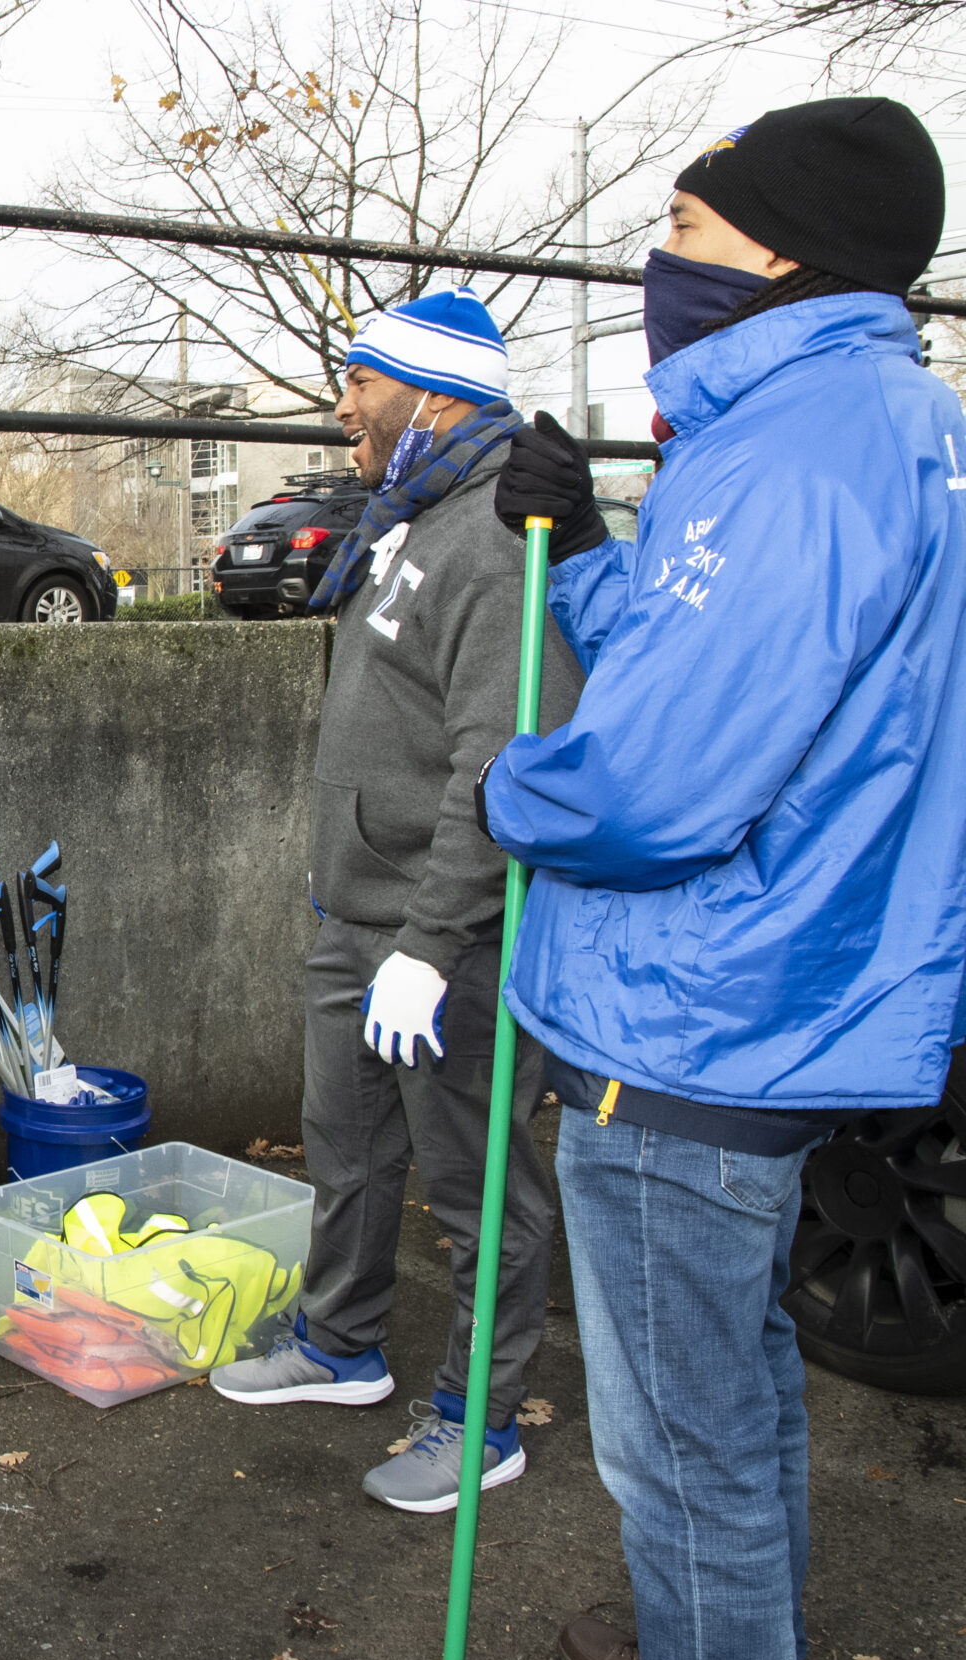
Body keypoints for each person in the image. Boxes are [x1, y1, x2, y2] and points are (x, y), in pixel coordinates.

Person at [480, 98, 961, 1660]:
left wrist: (505, 792)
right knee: (736, 1409)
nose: (657, 258)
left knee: (682, 1459)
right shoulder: (883, 428)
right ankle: (737, 1641)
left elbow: (658, 785)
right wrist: (593, 541)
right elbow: (744, 675)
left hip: (691, 1023)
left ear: (781, 248)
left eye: (685, 226)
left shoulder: (794, 457)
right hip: (786, 995)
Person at [209, 288, 578, 1517]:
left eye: (359, 381)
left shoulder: (497, 536)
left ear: (431, 393)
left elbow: (500, 755)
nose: (342, 405)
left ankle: (482, 1420)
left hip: (445, 936)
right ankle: (339, 1342)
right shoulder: (409, 518)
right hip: (352, 914)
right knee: (349, 1144)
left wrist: (431, 942)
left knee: (480, 1190)